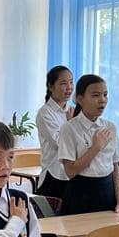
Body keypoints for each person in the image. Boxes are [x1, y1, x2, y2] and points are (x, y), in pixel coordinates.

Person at [56, 74, 119, 215]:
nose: (102, 100)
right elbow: (70, 171)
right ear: (80, 99)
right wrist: (95, 148)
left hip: (107, 191)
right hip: (80, 193)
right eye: (95, 95)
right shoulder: (69, 128)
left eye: (105, 95)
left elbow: (115, 168)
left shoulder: (110, 127)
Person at [34, 65, 74, 200]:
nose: (69, 87)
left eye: (71, 82)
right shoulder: (45, 113)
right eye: (63, 83)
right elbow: (59, 144)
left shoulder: (73, 111)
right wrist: (71, 125)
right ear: (50, 87)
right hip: (53, 176)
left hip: (72, 175)